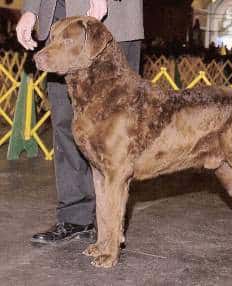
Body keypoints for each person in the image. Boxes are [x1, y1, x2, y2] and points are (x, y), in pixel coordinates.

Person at [16, 0, 144, 244]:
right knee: (66, 125)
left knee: (117, 135)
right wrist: (31, 10)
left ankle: (111, 227)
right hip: (60, 17)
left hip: (114, 20)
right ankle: (74, 218)